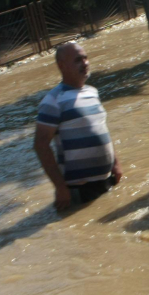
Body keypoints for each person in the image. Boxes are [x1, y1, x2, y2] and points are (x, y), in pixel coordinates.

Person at [33, 42, 122, 210]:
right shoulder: (53, 101)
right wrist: (60, 187)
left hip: (107, 180)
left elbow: (102, 129)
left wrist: (116, 164)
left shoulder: (92, 92)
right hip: (79, 190)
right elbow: (40, 145)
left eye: (85, 58)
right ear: (62, 65)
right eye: (77, 60)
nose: (85, 63)